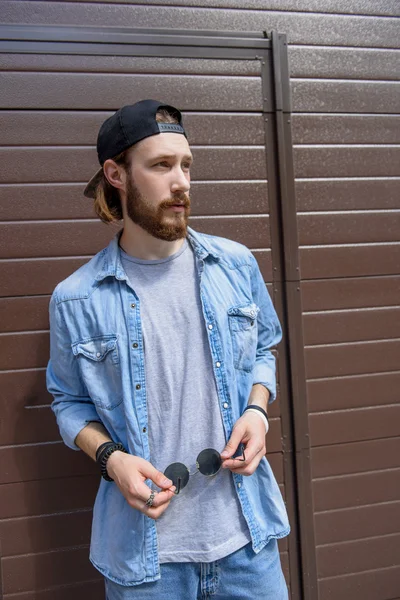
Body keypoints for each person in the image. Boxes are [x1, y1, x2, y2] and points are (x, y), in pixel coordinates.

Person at [47, 99, 290, 600]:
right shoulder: (77, 298)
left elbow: (265, 347)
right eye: (161, 166)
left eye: (185, 165)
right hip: (145, 563)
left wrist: (257, 412)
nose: (181, 182)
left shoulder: (236, 266)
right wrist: (113, 460)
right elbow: (68, 403)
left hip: (247, 542)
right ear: (116, 174)